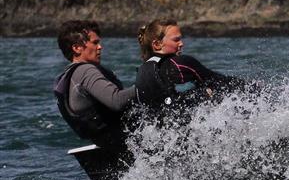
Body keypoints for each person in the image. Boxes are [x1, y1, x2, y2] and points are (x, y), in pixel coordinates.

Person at [54, 20, 136, 148]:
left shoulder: (69, 75)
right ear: (76, 48)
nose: (100, 47)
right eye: (95, 43)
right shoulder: (85, 71)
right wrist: (145, 85)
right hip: (118, 142)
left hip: (103, 142)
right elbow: (117, 100)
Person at [135, 19, 239, 111]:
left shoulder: (142, 71)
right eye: (176, 40)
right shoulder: (180, 63)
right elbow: (221, 82)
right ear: (157, 44)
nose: (181, 43)